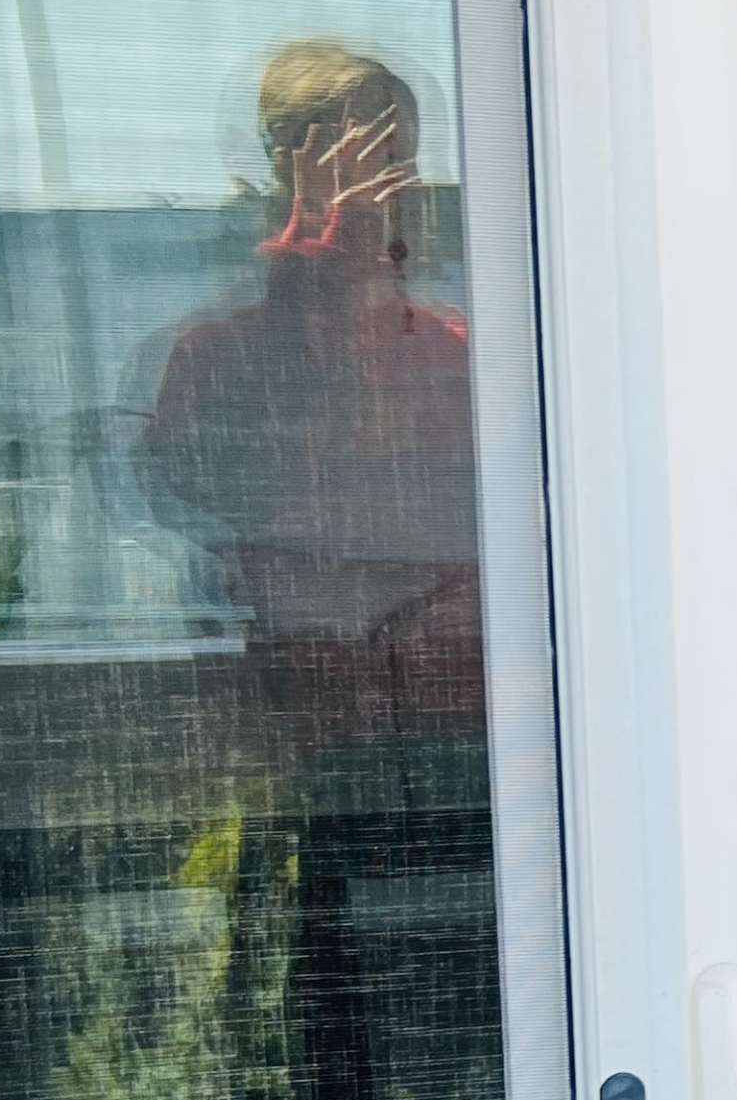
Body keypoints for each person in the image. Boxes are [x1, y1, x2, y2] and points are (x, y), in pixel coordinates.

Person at [139, 41, 481, 728]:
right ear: (282, 174)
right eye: (344, 160)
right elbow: (196, 497)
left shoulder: (460, 350)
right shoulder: (213, 353)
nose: (382, 185)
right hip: (298, 696)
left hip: (462, 696)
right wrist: (333, 257)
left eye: (393, 156)